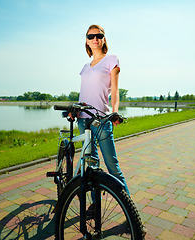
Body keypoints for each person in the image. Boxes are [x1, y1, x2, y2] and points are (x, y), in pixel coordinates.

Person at [76, 24, 130, 201]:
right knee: (91, 166)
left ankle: (130, 211)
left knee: (112, 166)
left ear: (104, 39)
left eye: (98, 36)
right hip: (83, 120)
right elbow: (83, 92)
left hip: (101, 119)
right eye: (90, 37)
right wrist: (75, 110)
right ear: (86, 41)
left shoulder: (111, 59)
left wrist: (114, 112)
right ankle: (95, 206)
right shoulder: (86, 66)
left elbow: (115, 90)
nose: (95, 39)